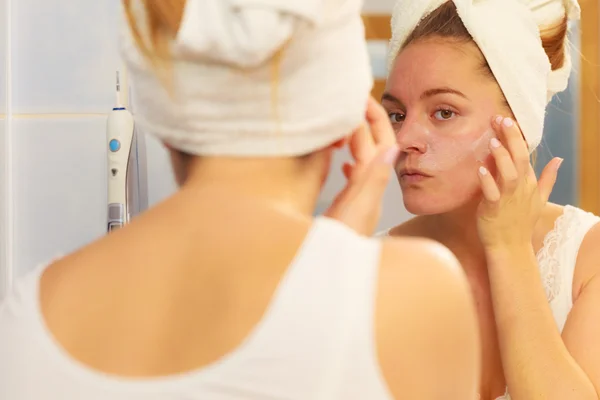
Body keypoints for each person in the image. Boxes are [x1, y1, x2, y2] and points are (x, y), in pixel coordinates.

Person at [0, 1, 480, 399]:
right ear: (341, 118)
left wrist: (333, 250)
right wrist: (337, 256)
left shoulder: (31, 309)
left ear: (168, 120)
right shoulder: (415, 289)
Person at [379, 0, 600, 399]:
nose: (403, 139)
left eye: (443, 112)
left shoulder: (588, 257)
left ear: (520, 122)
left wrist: (509, 249)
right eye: (396, 114)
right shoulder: (369, 264)